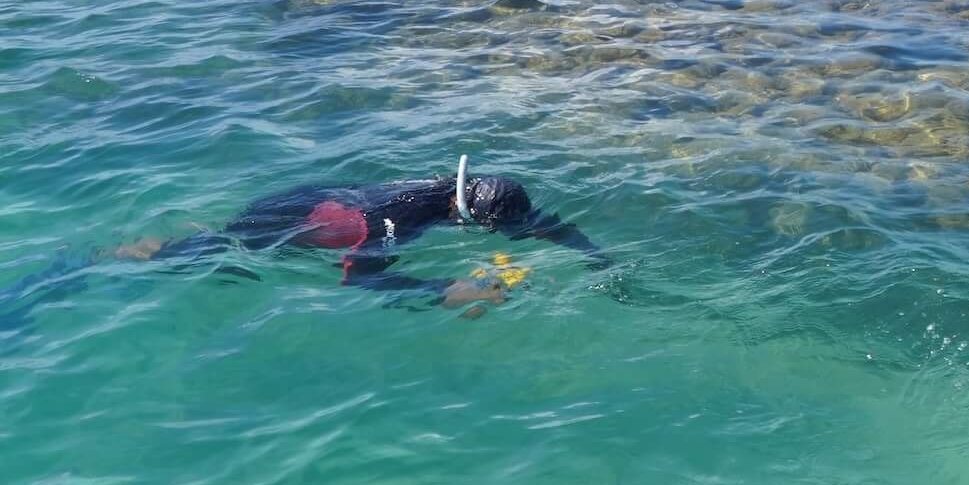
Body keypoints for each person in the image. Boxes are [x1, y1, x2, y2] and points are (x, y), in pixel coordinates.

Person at [107, 158, 610, 318]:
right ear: (469, 212)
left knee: (217, 244)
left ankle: (163, 242)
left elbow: (538, 222)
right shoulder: (394, 224)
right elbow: (362, 283)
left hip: (313, 199)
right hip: (287, 225)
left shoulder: (451, 193)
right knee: (216, 258)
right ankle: (123, 256)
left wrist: (595, 256)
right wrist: (447, 290)